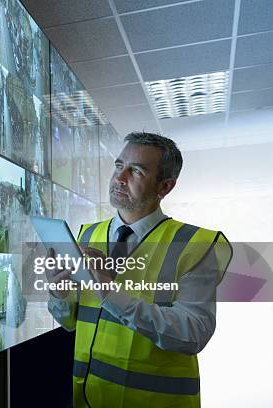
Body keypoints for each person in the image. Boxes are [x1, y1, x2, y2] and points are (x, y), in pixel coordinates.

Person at [47, 132, 232, 407]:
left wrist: (110, 291)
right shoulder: (86, 235)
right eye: (119, 165)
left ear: (165, 187)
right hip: (86, 400)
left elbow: (194, 333)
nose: (120, 178)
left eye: (136, 171)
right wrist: (59, 294)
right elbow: (71, 322)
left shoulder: (195, 245)